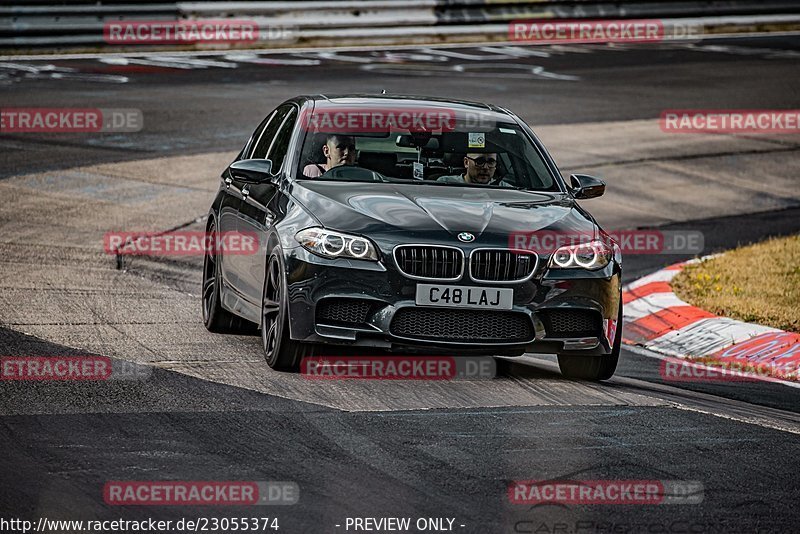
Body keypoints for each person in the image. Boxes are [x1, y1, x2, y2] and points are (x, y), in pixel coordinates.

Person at [436, 152, 511, 187]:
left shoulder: (505, 189)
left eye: (491, 162)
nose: (485, 167)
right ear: (466, 162)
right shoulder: (446, 184)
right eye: (479, 161)